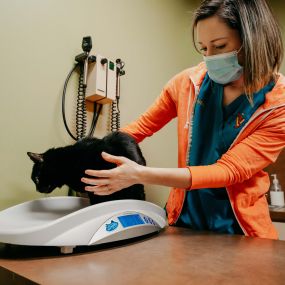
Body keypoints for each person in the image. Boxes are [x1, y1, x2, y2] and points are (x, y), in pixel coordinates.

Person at [81, 0, 285, 239]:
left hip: (240, 230)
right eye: (203, 48)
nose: (210, 58)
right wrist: (90, 157)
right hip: (184, 222)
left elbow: (228, 171)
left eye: (220, 46)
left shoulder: (278, 106)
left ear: (252, 42)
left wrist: (140, 174)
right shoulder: (186, 84)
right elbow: (139, 129)